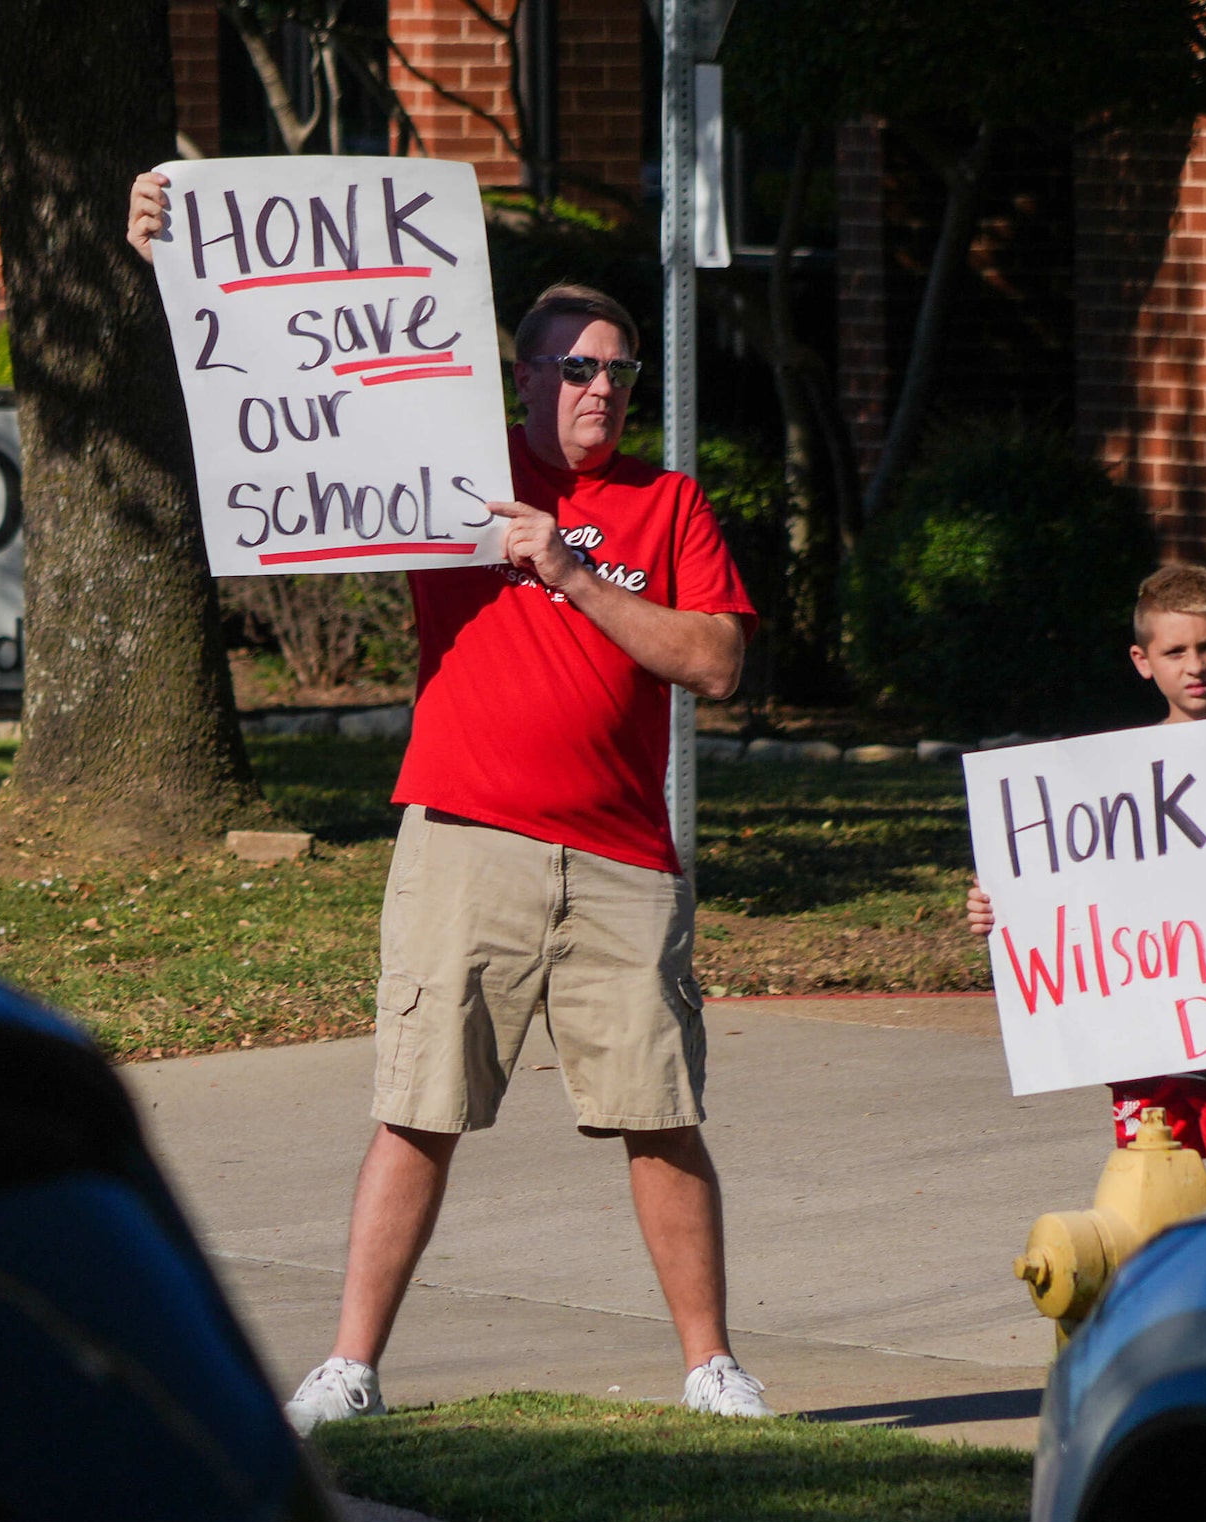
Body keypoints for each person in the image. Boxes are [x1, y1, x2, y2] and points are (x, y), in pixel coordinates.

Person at [125, 173, 775, 1429]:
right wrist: (171, 262)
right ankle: (349, 1366)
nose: (600, 390)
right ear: (522, 378)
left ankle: (709, 1366)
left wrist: (570, 572)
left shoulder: (668, 504)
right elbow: (279, 393)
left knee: (659, 1118)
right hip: (466, 841)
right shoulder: (443, 476)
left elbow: (713, 660)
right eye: (577, 369)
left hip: (622, 861)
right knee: (418, 1110)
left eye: (620, 373)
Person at [965, 565, 1206, 1200]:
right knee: (1149, 1204)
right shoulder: (1104, 779)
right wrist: (1001, 906)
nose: (1194, 665)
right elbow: (1060, 884)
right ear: (1142, 660)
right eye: (1174, 651)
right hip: (1139, 1039)